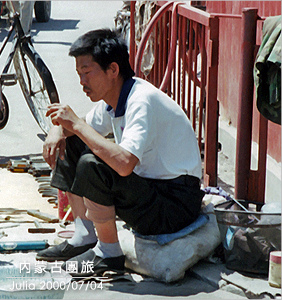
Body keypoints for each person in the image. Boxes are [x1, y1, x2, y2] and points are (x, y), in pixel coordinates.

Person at [36, 29, 205, 276]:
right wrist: (57, 131)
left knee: (91, 163)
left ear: (113, 70)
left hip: (174, 205)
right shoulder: (115, 100)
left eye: (87, 72)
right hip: (152, 192)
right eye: (79, 74)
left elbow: (125, 164)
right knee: (73, 142)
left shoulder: (141, 100)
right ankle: (84, 235)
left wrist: (77, 126)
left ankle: (109, 253)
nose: (82, 81)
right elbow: (76, 128)